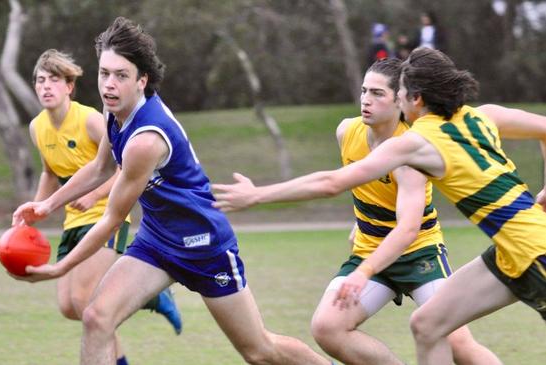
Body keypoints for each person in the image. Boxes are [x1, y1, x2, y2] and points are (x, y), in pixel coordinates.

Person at [12, 18, 334, 365]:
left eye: (121, 75)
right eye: (104, 73)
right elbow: (100, 168)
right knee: (96, 318)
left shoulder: (145, 140)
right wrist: (47, 204)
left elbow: (111, 219)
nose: (109, 84)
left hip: (203, 245)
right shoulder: (112, 108)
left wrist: (62, 268)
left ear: (142, 80)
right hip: (157, 240)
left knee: (259, 351)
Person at [212, 47, 546, 365]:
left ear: (415, 99)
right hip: (509, 251)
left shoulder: (415, 143)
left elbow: (332, 183)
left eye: (395, 93)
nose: (387, 100)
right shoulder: (483, 116)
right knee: (427, 325)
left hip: (534, 254)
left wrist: (257, 196)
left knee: (449, 336)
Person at [24, 49, 182, 365]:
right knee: (70, 307)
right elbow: (49, 172)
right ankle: (150, 296)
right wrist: (37, 209)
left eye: (54, 80)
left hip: (106, 215)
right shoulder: (37, 128)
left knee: (87, 303)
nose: (46, 87)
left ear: (69, 86)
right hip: (73, 221)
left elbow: (121, 167)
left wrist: (96, 195)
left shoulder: (91, 120)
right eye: (40, 80)